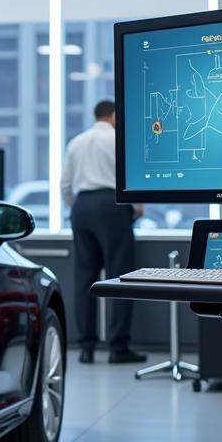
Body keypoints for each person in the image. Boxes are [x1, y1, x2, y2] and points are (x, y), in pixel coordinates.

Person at [60, 100, 146, 365]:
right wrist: (138, 206)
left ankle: (86, 347)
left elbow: (64, 185)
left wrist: (79, 207)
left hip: (82, 206)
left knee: (84, 278)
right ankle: (118, 348)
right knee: (120, 277)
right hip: (112, 206)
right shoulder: (119, 140)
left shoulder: (76, 142)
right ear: (114, 115)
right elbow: (132, 177)